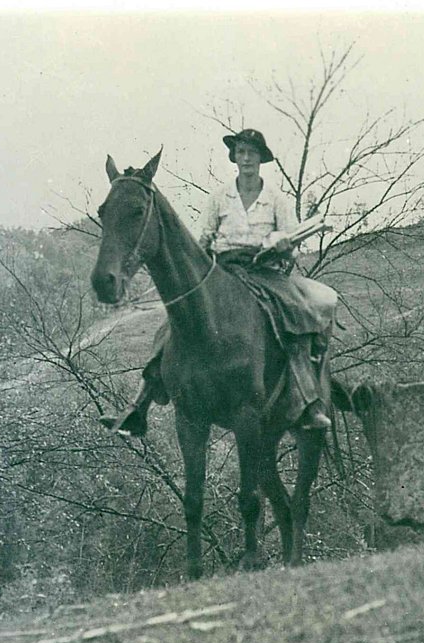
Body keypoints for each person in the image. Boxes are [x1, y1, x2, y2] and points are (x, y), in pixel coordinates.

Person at [101, 128, 335, 436]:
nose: (246, 158)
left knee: (296, 314)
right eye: (241, 152)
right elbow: (204, 238)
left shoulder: (276, 198)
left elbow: (292, 240)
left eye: (252, 153)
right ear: (235, 158)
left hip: (266, 273)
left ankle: (308, 400)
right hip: (224, 268)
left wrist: (281, 244)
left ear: (261, 159)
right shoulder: (219, 197)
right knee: (174, 325)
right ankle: (138, 406)